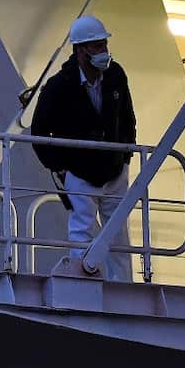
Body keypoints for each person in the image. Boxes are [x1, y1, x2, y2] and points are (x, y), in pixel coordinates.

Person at [30, 15, 136, 281]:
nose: (103, 52)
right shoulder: (59, 86)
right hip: (79, 172)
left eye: (104, 45)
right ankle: (84, 287)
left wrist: (125, 156)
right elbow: (39, 131)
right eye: (97, 46)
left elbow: (127, 117)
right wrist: (61, 168)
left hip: (114, 170)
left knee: (119, 237)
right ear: (80, 51)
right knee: (82, 233)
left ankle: (123, 290)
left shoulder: (115, 75)